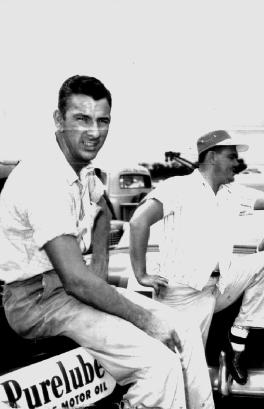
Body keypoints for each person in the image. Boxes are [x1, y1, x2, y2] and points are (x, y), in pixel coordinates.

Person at [0, 75, 212, 409]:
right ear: (58, 119)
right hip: (36, 301)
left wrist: (98, 265)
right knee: (160, 364)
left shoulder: (80, 168)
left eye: (103, 121)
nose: (94, 132)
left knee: (183, 329)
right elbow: (75, 280)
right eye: (81, 119)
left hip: (68, 289)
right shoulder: (42, 178)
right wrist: (145, 321)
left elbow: (101, 210)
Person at [129, 129, 264, 385]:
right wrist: (141, 274)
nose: (237, 163)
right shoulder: (179, 187)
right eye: (231, 156)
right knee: (181, 372)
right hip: (183, 295)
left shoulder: (230, 193)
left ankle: (238, 340)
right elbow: (138, 222)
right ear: (212, 157)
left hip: (218, 286)